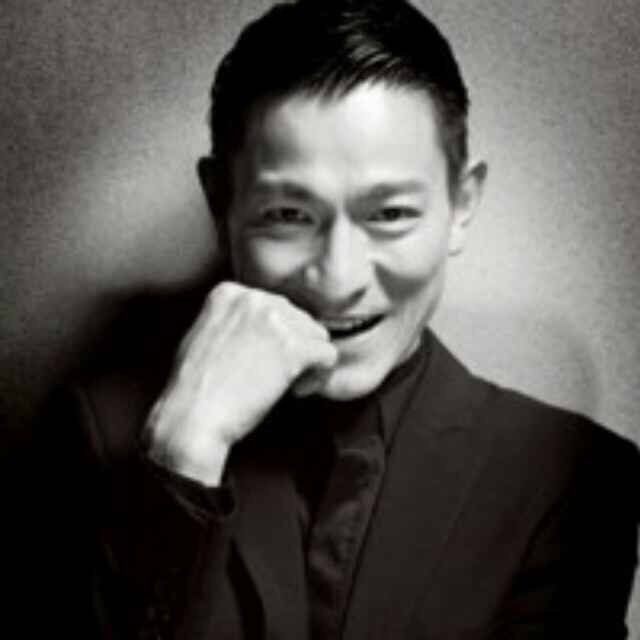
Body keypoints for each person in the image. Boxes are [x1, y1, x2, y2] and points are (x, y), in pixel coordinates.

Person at [33, 0, 639, 638]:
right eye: (289, 216)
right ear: (221, 204)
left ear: (461, 204)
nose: (340, 279)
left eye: (390, 214)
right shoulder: (94, 435)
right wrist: (183, 458)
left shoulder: (576, 478)